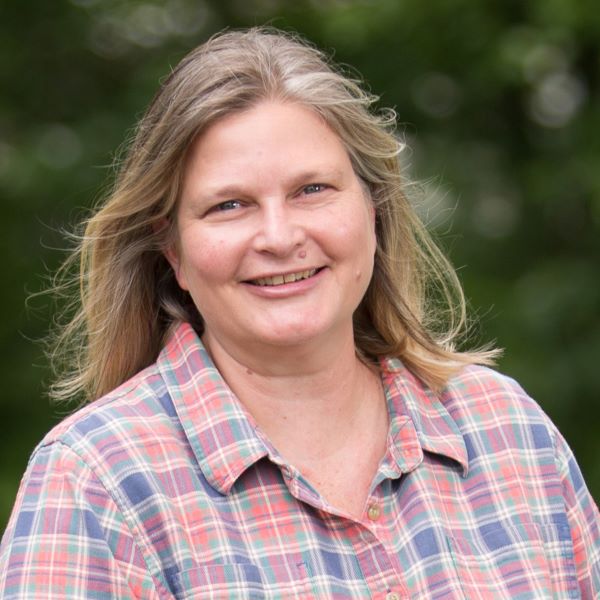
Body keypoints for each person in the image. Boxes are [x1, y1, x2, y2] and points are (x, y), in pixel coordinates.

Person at [1, 27, 599, 599]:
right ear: (173, 251)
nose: (279, 236)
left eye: (312, 189)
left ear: (374, 210)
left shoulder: (507, 431)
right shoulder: (96, 483)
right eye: (229, 205)